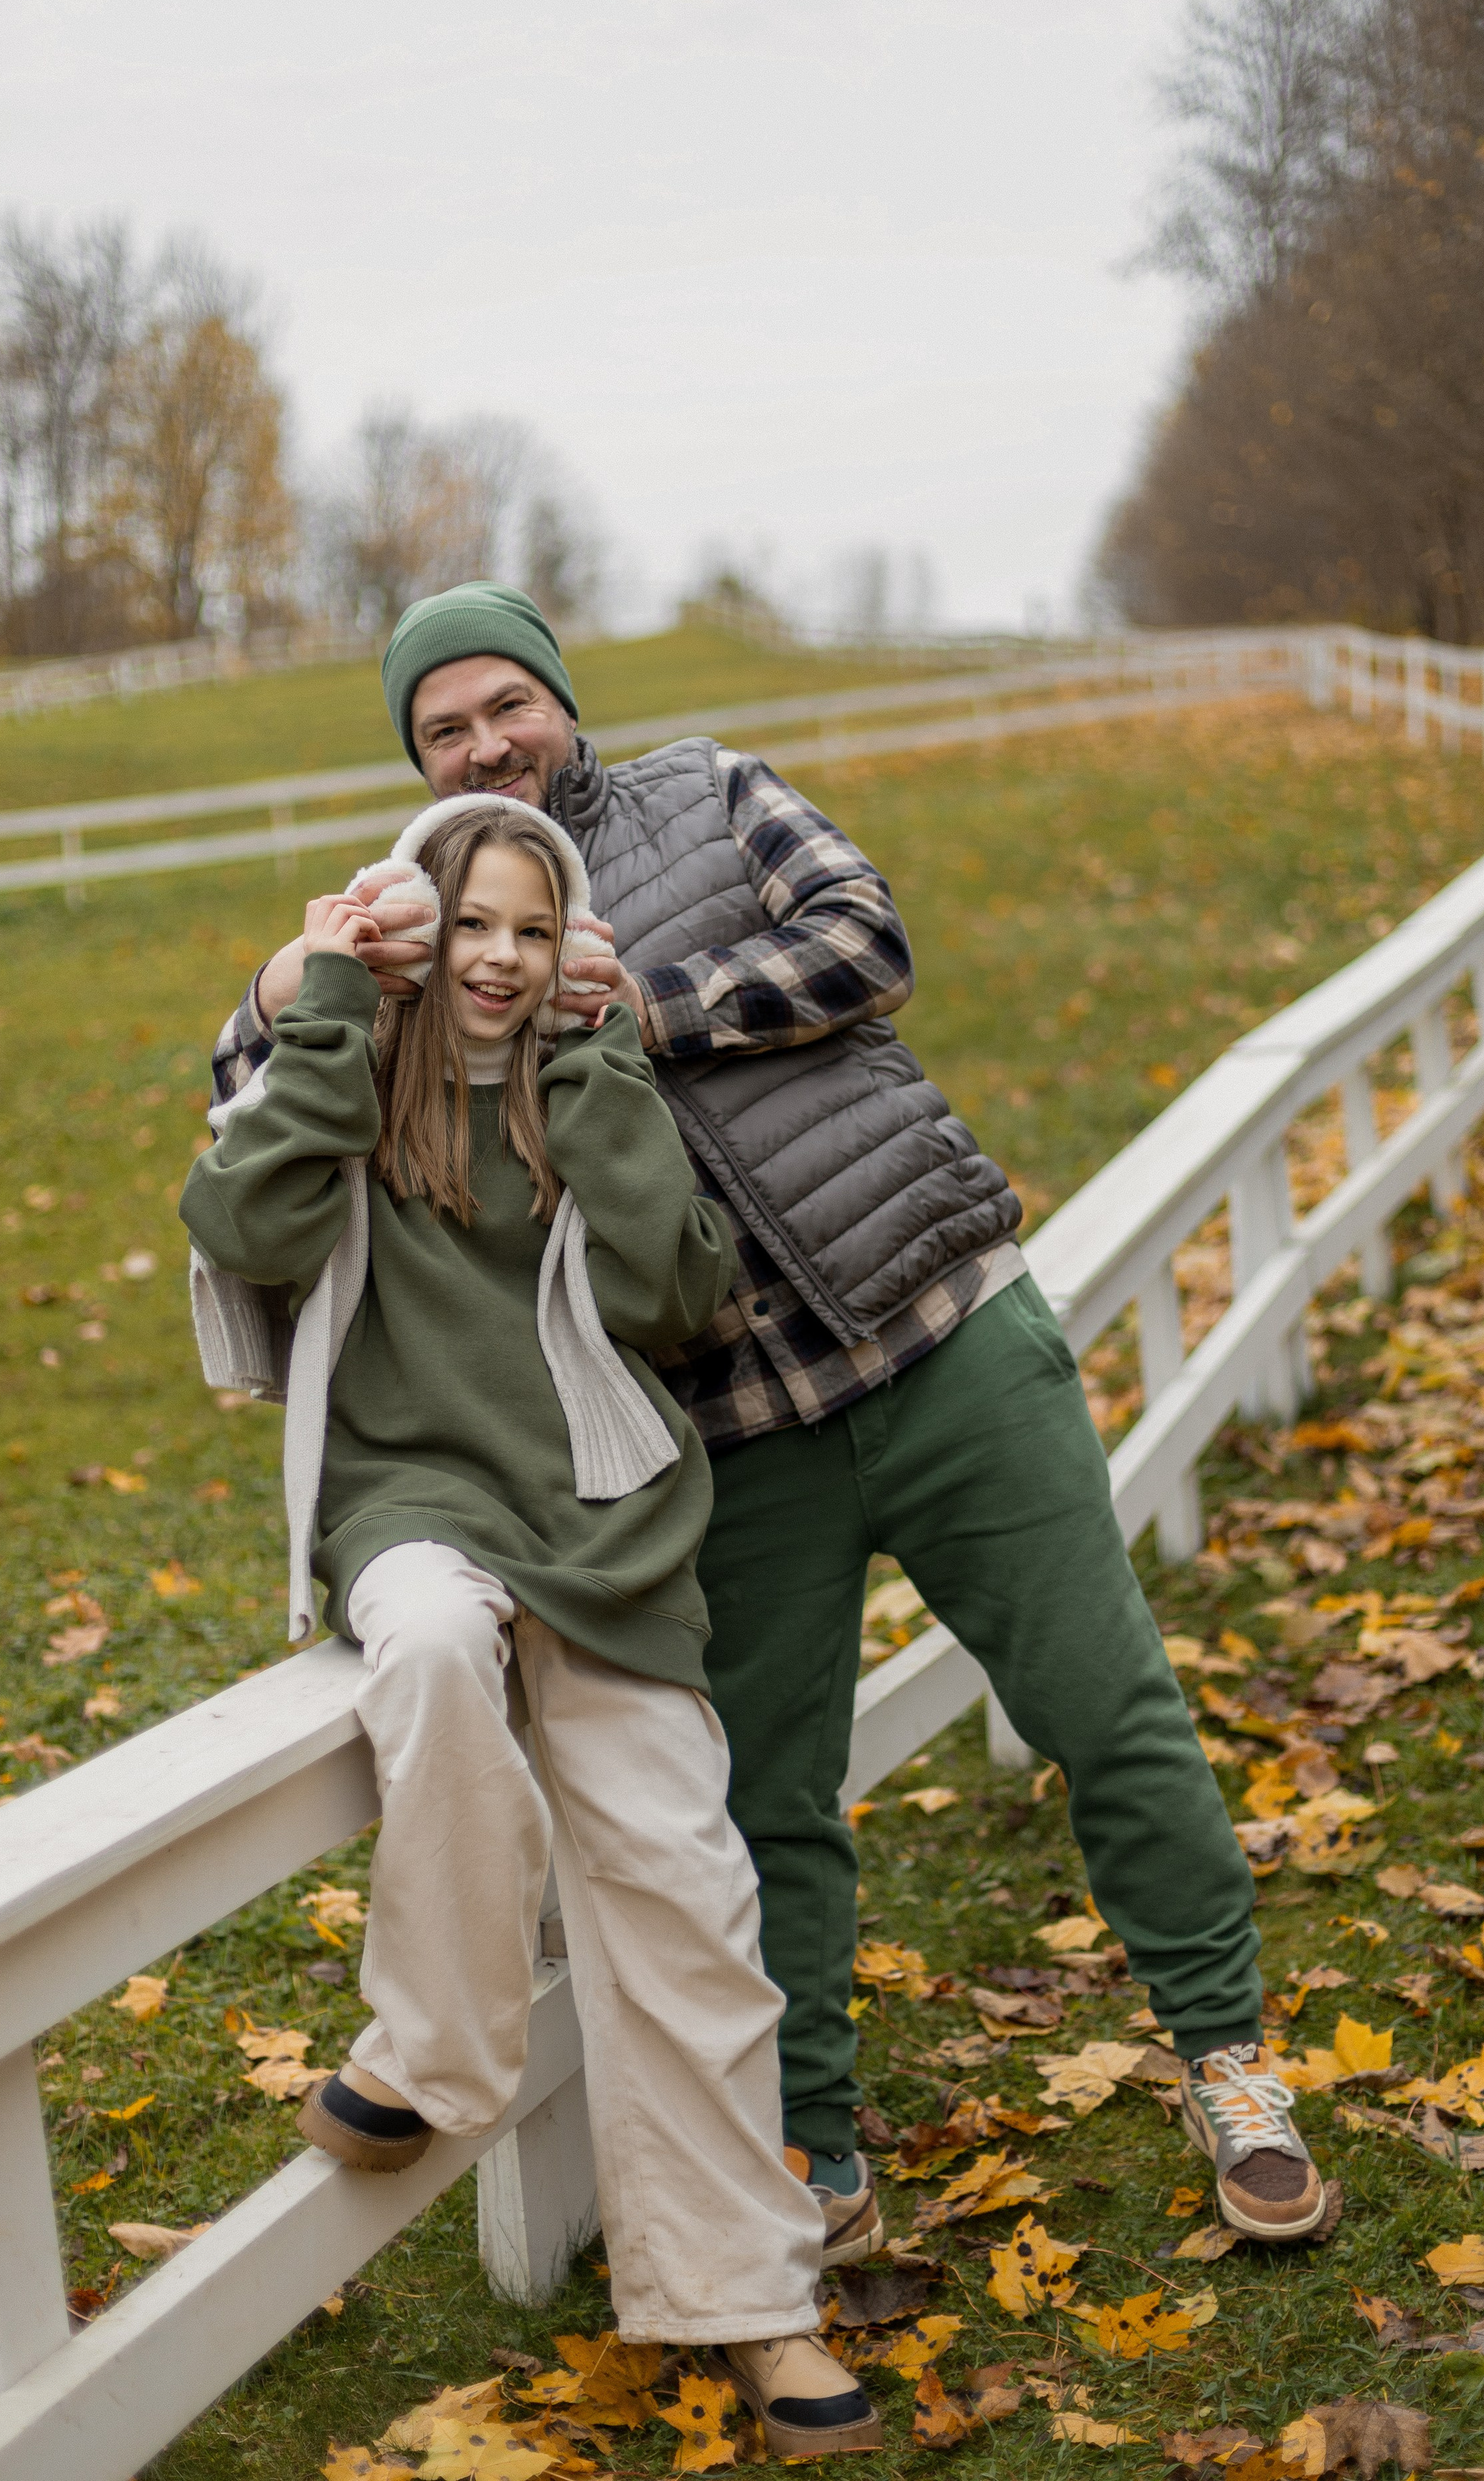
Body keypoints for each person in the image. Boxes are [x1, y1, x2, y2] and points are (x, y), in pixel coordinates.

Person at [214, 581, 1329, 2252]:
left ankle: (1228, 2057)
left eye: (504, 704)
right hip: (728, 1425)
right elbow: (250, 1106)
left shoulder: (708, 793)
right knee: (768, 1802)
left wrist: (632, 1010)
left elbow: (864, 943)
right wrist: (295, 974)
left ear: (559, 702)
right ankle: (813, 2143)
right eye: (441, 728)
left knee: (1106, 1707)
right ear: (416, 758)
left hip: (944, 1334)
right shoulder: (443, 910)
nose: (484, 743)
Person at [183, 793, 883, 2458]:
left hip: (607, 1519)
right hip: (411, 1505)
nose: (495, 960)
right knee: (426, 1653)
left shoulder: (587, 1080)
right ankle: (438, 2046)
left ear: (565, 943)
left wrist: (601, 1077)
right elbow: (245, 1231)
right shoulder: (356, 1062)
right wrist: (335, 1007)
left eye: (528, 927)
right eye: (469, 924)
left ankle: (751, 2306)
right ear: (422, 925)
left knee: (689, 1904)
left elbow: (674, 1298)